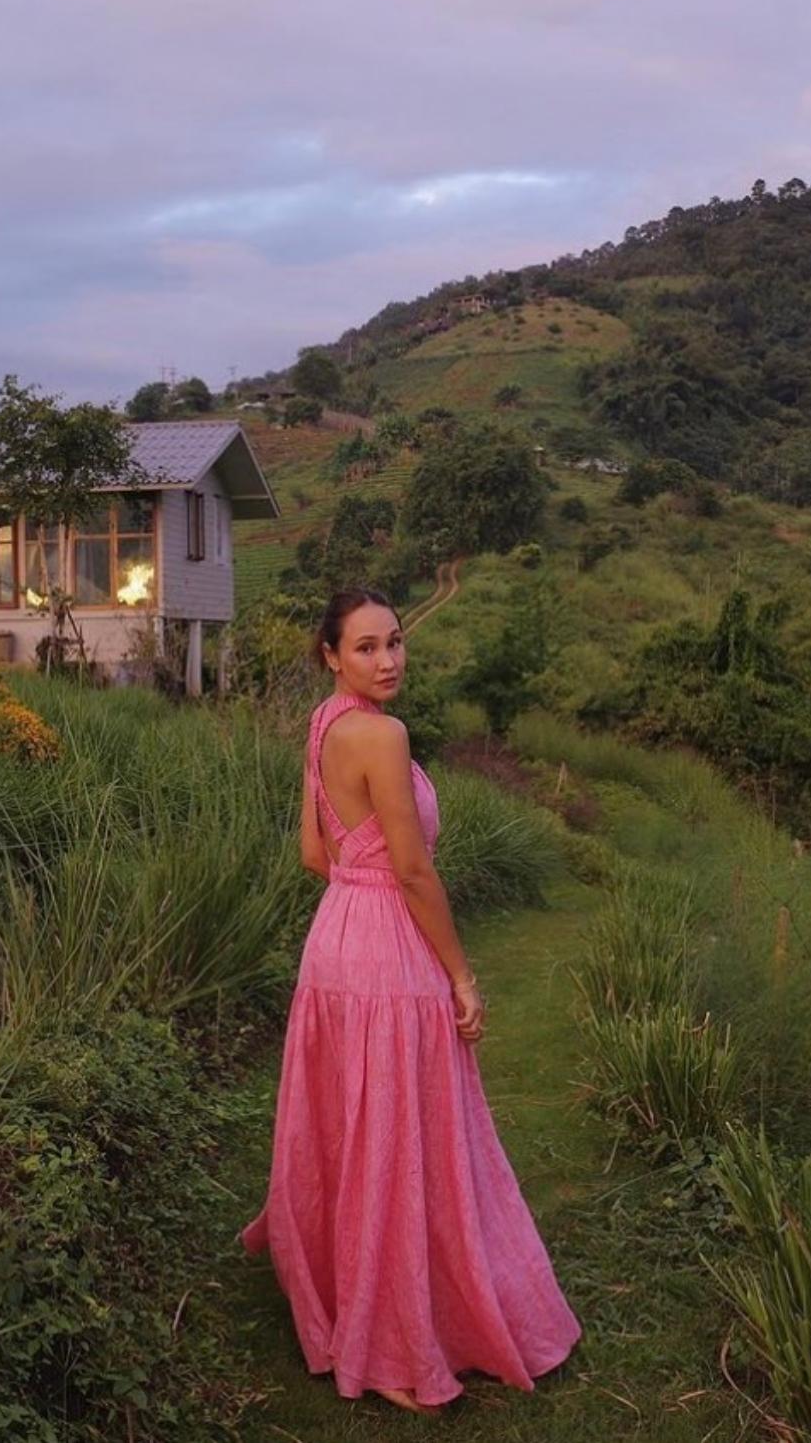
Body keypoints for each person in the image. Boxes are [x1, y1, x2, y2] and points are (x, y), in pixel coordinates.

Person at [240, 586, 582, 1415]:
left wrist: (360, 889)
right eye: (365, 647)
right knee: (397, 1137)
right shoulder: (383, 735)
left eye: (394, 641)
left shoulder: (325, 723)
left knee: (359, 1130)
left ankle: (361, 1299)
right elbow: (416, 870)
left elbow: (314, 853)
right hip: (388, 950)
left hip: (334, 943)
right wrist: (460, 973)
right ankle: (393, 1345)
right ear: (331, 654)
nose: (387, 659)